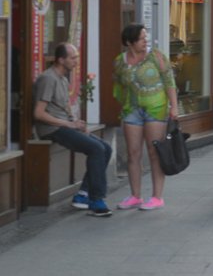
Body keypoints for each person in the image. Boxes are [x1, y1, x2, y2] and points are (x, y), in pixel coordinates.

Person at [33, 43, 113, 217]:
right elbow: (38, 113)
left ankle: (83, 194)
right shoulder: (49, 78)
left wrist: (76, 123)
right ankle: (96, 200)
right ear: (61, 60)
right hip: (52, 129)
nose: (76, 61)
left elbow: (63, 108)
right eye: (73, 58)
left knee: (106, 148)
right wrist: (68, 124)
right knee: (96, 149)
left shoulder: (62, 78)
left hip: (64, 126)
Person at [113, 24, 179, 211]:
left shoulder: (156, 56)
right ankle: (135, 195)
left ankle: (157, 197)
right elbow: (118, 86)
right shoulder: (120, 61)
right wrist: (122, 105)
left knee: (154, 151)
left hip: (155, 109)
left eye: (146, 38)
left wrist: (173, 106)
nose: (146, 41)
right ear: (129, 42)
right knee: (133, 153)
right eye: (142, 39)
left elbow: (169, 81)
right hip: (131, 110)